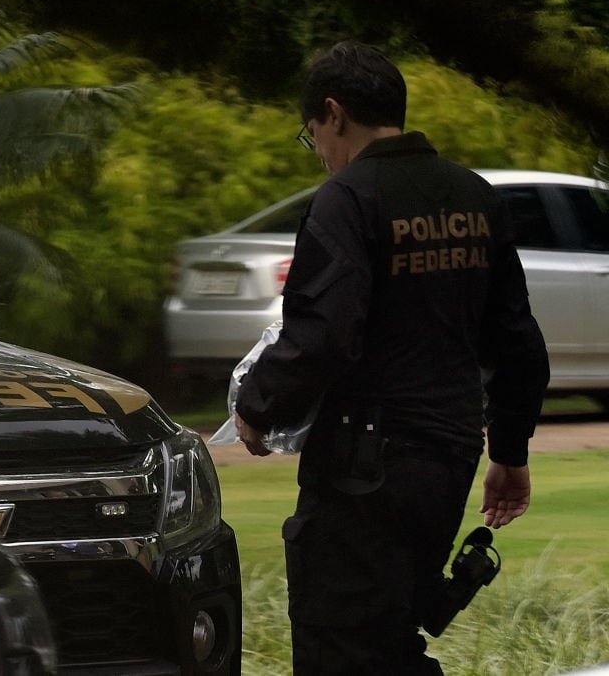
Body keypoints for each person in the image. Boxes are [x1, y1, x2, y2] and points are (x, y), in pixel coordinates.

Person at [233, 41, 550, 675]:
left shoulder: (348, 200)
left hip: (362, 469)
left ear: (334, 113)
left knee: (340, 649)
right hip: (448, 461)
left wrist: (257, 405)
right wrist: (509, 453)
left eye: (312, 135)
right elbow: (517, 342)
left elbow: (324, 332)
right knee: (393, 639)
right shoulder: (474, 197)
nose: (319, 152)